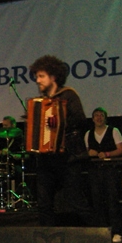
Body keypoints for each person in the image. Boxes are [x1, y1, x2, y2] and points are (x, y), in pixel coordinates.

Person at [28, 55, 89, 226]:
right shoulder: (42, 102)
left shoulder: (68, 95)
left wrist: (60, 121)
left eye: (41, 76)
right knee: (44, 202)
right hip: (47, 159)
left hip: (68, 157)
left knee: (76, 200)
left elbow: (80, 120)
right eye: (37, 76)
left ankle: (97, 235)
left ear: (53, 77)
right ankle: (46, 236)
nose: (37, 80)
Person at [85, 107, 122, 241]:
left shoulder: (114, 131)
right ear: (92, 119)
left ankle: (116, 231)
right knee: (97, 201)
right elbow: (86, 151)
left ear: (105, 118)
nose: (99, 118)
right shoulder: (88, 134)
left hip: (110, 170)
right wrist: (89, 153)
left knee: (112, 200)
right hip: (94, 171)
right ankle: (101, 232)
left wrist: (107, 154)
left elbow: (120, 150)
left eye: (101, 115)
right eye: (96, 115)